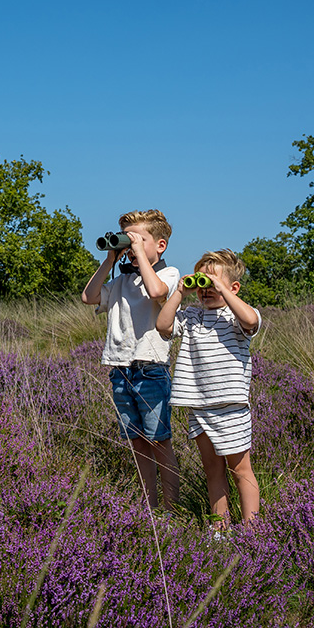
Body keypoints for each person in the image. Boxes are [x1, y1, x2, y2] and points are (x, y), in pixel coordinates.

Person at [81, 209, 181, 511]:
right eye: (127, 236)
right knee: (137, 443)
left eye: (140, 238)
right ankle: (149, 507)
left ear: (160, 245)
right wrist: (111, 259)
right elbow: (89, 297)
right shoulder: (122, 281)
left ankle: (171, 507)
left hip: (151, 369)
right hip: (120, 370)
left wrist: (138, 251)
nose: (132, 244)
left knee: (159, 441)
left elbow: (156, 292)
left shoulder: (169, 273)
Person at [156, 249, 262, 527]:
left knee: (240, 470)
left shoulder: (236, 317)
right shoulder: (191, 316)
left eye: (211, 283)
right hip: (199, 405)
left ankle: (253, 531)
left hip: (231, 406)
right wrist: (179, 292)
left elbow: (251, 321)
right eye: (199, 282)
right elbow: (163, 325)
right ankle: (220, 528)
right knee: (212, 470)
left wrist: (224, 292)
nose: (204, 290)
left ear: (234, 288)